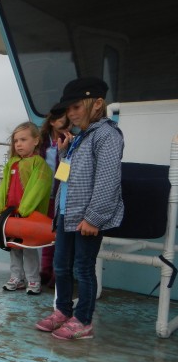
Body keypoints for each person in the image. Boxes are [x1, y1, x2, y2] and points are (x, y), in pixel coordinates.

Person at [36, 77, 124, 340]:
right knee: (62, 267)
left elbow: (107, 180)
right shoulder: (78, 139)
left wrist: (94, 218)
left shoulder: (107, 135)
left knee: (83, 268)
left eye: (76, 107)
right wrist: (64, 154)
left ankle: (83, 320)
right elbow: (65, 176)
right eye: (68, 109)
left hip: (87, 218)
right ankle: (63, 311)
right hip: (66, 214)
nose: (71, 114)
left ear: (97, 103)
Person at [0, 122, 52, 295]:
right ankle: (16, 277)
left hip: (27, 215)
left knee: (29, 249)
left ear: (36, 141)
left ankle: (33, 280)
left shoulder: (39, 164)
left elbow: (38, 187)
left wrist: (25, 209)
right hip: (11, 214)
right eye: (16, 140)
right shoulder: (12, 163)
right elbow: (4, 186)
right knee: (13, 247)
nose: (18, 144)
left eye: (23, 139)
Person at [38, 104, 70, 288]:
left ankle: (57, 272)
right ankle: (45, 269)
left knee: (59, 234)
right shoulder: (42, 142)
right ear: (51, 122)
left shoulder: (70, 141)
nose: (64, 126)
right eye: (61, 122)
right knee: (46, 233)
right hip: (45, 194)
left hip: (61, 193)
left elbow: (66, 169)